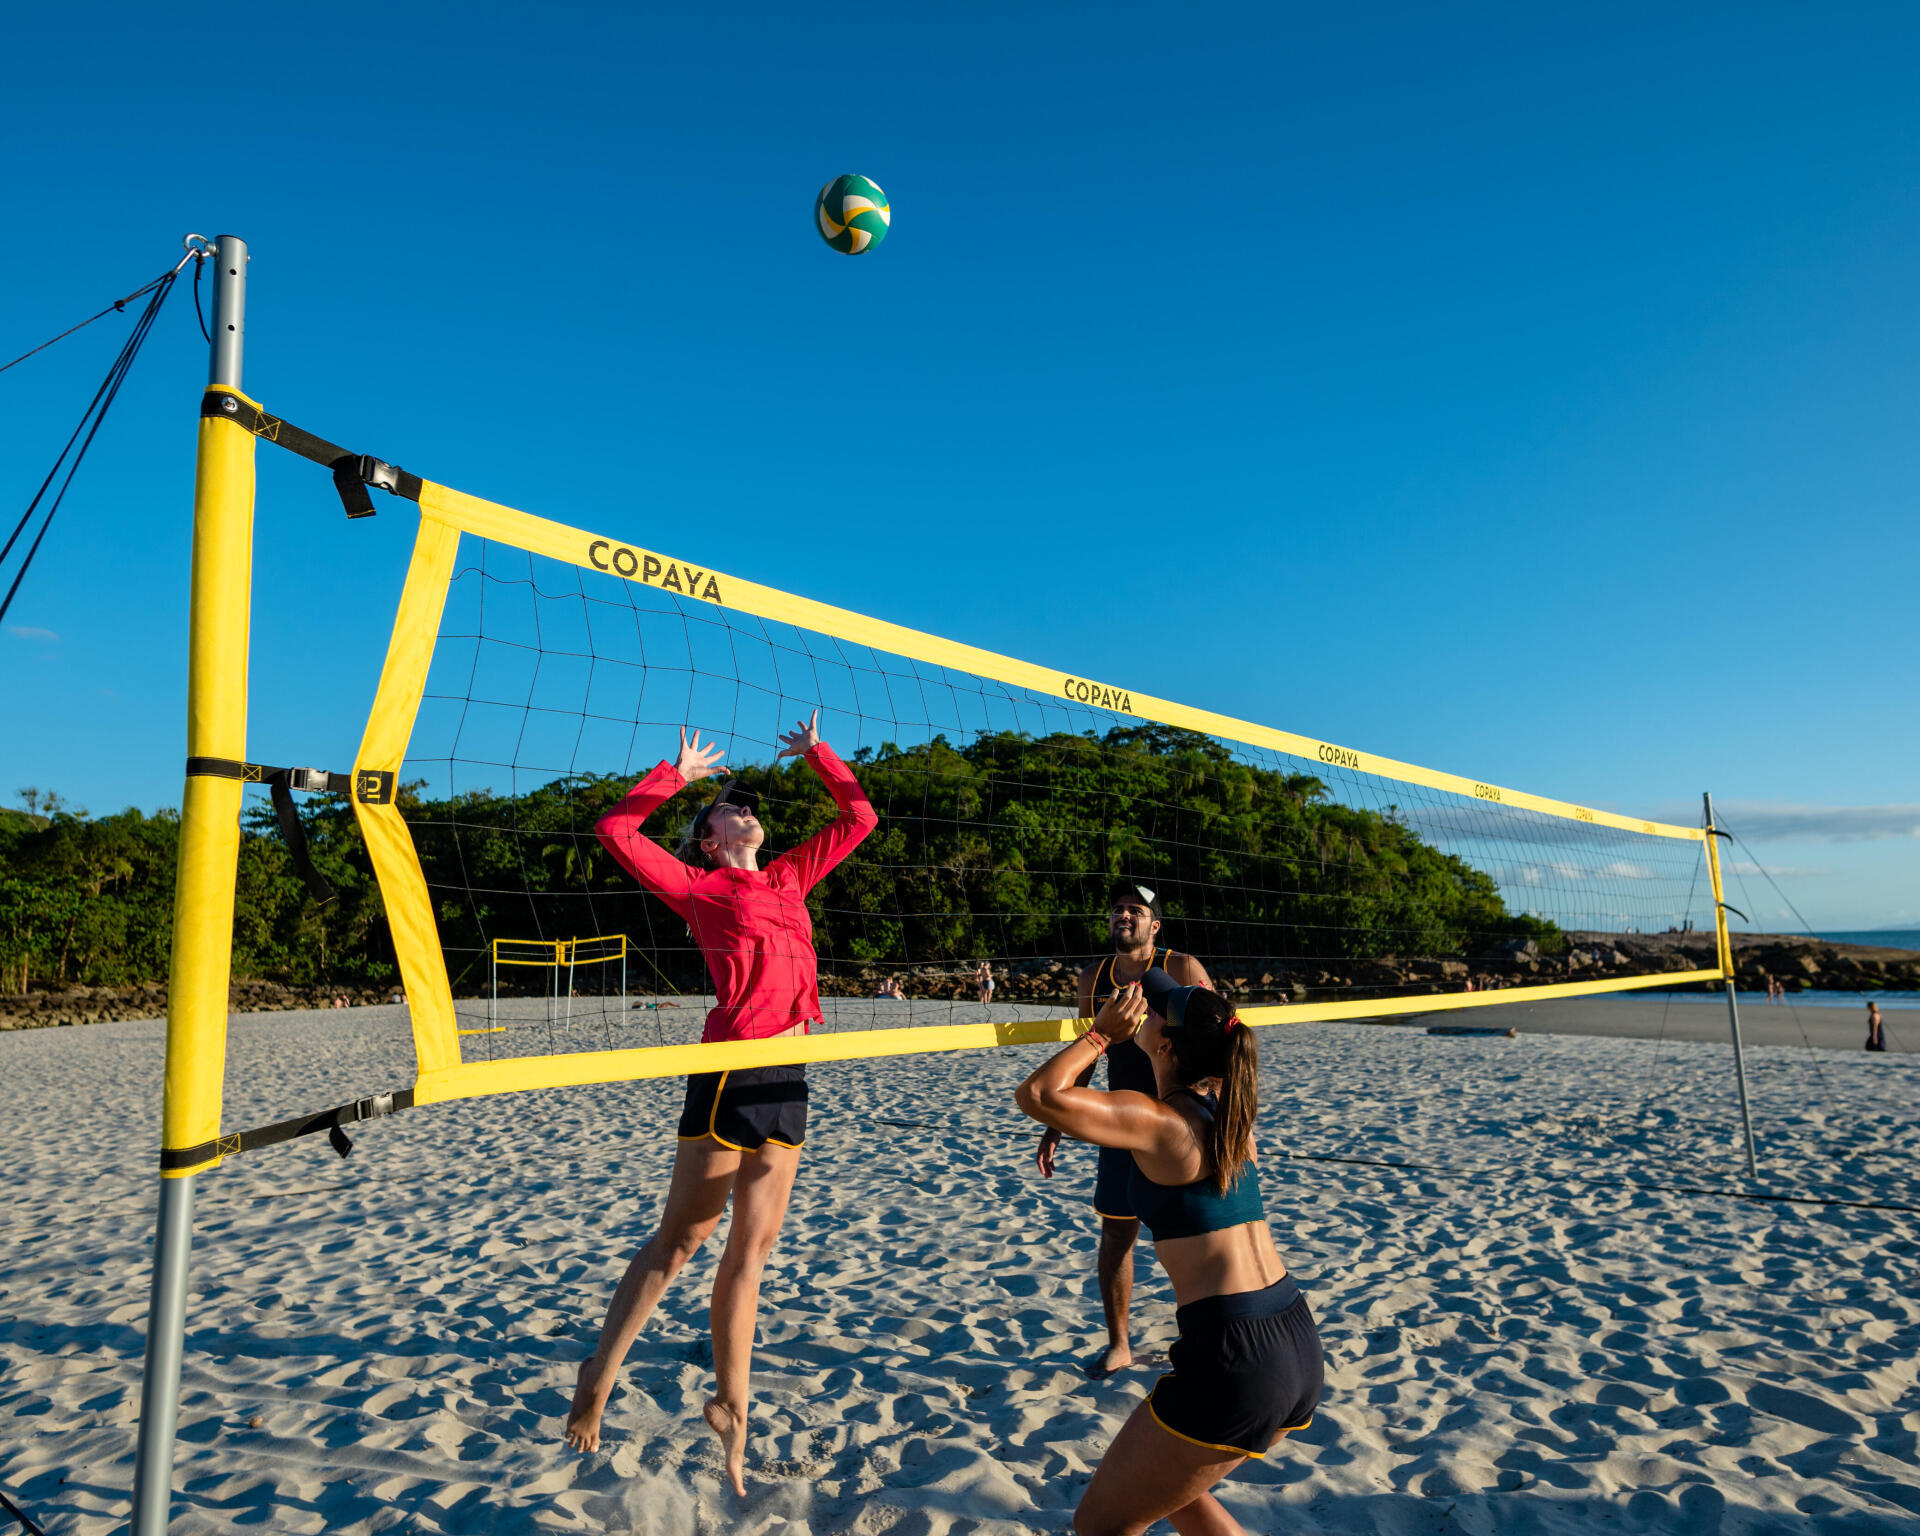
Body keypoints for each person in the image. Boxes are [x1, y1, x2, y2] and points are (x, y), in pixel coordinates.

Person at [563, 712, 876, 1494]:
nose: (743, 807)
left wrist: (820, 758)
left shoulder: (791, 877)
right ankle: (598, 1376)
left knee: (752, 1253)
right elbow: (614, 830)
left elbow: (861, 816)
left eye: (744, 803)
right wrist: (678, 777)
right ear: (708, 838)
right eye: (726, 808)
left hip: (789, 1071)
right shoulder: (701, 887)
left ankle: (732, 1409)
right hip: (731, 1068)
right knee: (680, 1244)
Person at [1015, 971, 1322, 1536]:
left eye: (1156, 1010)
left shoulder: (1162, 1122)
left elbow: (1036, 1095)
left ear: (1166, 1044)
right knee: (1166, 1491)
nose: (1143, 1008)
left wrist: (1100, 1034)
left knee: (1100, 1526)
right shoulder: (1229, 1120)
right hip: (1294, 1339)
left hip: (1236, 1356)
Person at [1034, 880, 1212, 1378]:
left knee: (1196, 1234)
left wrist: (1229, 1119)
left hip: (1178, 1117)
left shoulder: (1180, 968)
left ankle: (1202, 1339)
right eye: (1117, 910)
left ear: (1155, 925)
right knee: (1117, 1236)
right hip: (1119, 1120)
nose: (1124, 916)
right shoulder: (1094, 977)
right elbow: (1089, 1054)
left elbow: (1219, 1040)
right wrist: (1057, 1124)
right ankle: (1119, 1345)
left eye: (1135, 910)